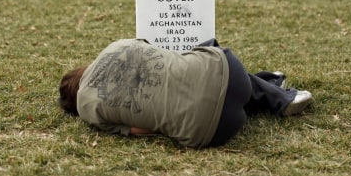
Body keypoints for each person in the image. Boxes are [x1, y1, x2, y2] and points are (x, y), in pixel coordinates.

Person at [59, 38, 313, 149]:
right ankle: (273, 89)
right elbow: (163, 55)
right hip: (232, 76)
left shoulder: (87, 110)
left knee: (205, 92)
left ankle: (269, 85)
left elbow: (142, 131)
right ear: (82, 70)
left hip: (210, 131)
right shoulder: (115, 47)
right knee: (206, 49)